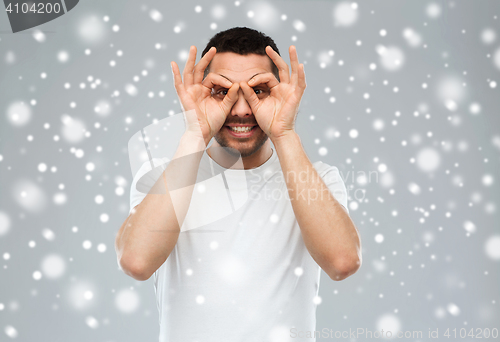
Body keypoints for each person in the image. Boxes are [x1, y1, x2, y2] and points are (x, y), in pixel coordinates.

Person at [115, 27, 362, 342]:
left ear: (280, 92)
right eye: (222, 90)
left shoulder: (318, 178)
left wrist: (284, 132)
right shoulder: (162, 176)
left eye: (258, 90)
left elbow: (342, 262)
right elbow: (136, 262)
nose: (242, 109)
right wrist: (196, 132)